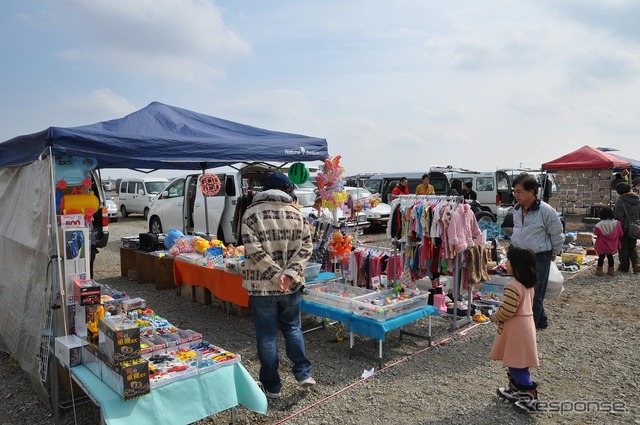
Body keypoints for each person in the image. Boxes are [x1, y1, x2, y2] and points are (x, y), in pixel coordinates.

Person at [241, 172, 315, 399]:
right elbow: (306, 248)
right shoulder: (297, 214)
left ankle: (272, 386)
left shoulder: (251, 214)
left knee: (266, 335)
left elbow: (253, 249)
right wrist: (289, 275)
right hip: (290, 286)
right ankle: (303, 373)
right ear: (286, 190)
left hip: (262, 286)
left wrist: (275, 275)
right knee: (292, 327)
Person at [509, 174, 564, 330]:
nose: (516, 195)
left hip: (539, 257)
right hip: (520, 256)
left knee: (535, 294)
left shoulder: (546, 210)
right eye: (515, 191)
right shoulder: (517, 209)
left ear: (532, 191)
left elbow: (557, 232)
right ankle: (541, 321)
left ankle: (528, 330)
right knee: (525, 291)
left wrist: (555, 252)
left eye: (519, 191)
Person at [490, 247, 540, 413]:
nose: (506, 263)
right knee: (517, 361)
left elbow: (508, 310)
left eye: (509, 261)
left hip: (517, 330)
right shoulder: (528, 285)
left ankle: (529, 395)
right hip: (525, 326)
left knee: (517, 364)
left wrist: (494, 316)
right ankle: (516, 390)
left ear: (516, 265)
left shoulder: (512, 285)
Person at [613, 182, 640, 273]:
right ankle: (636, 263)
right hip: (635, 227)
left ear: (619, 192)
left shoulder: (620, 201)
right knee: (632, 246)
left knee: (623, 247)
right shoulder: (638, 199)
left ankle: (624, 267)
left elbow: (618, 217)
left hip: (623, 227)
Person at [592, 207, 623, 276]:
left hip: (602, 245)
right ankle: (611, 271)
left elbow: (596, 233)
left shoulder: (599, 224)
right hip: (612, 245)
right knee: (610, 257)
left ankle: (599, 271)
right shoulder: (617, 223)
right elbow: (621, 234)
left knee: (601, 258)